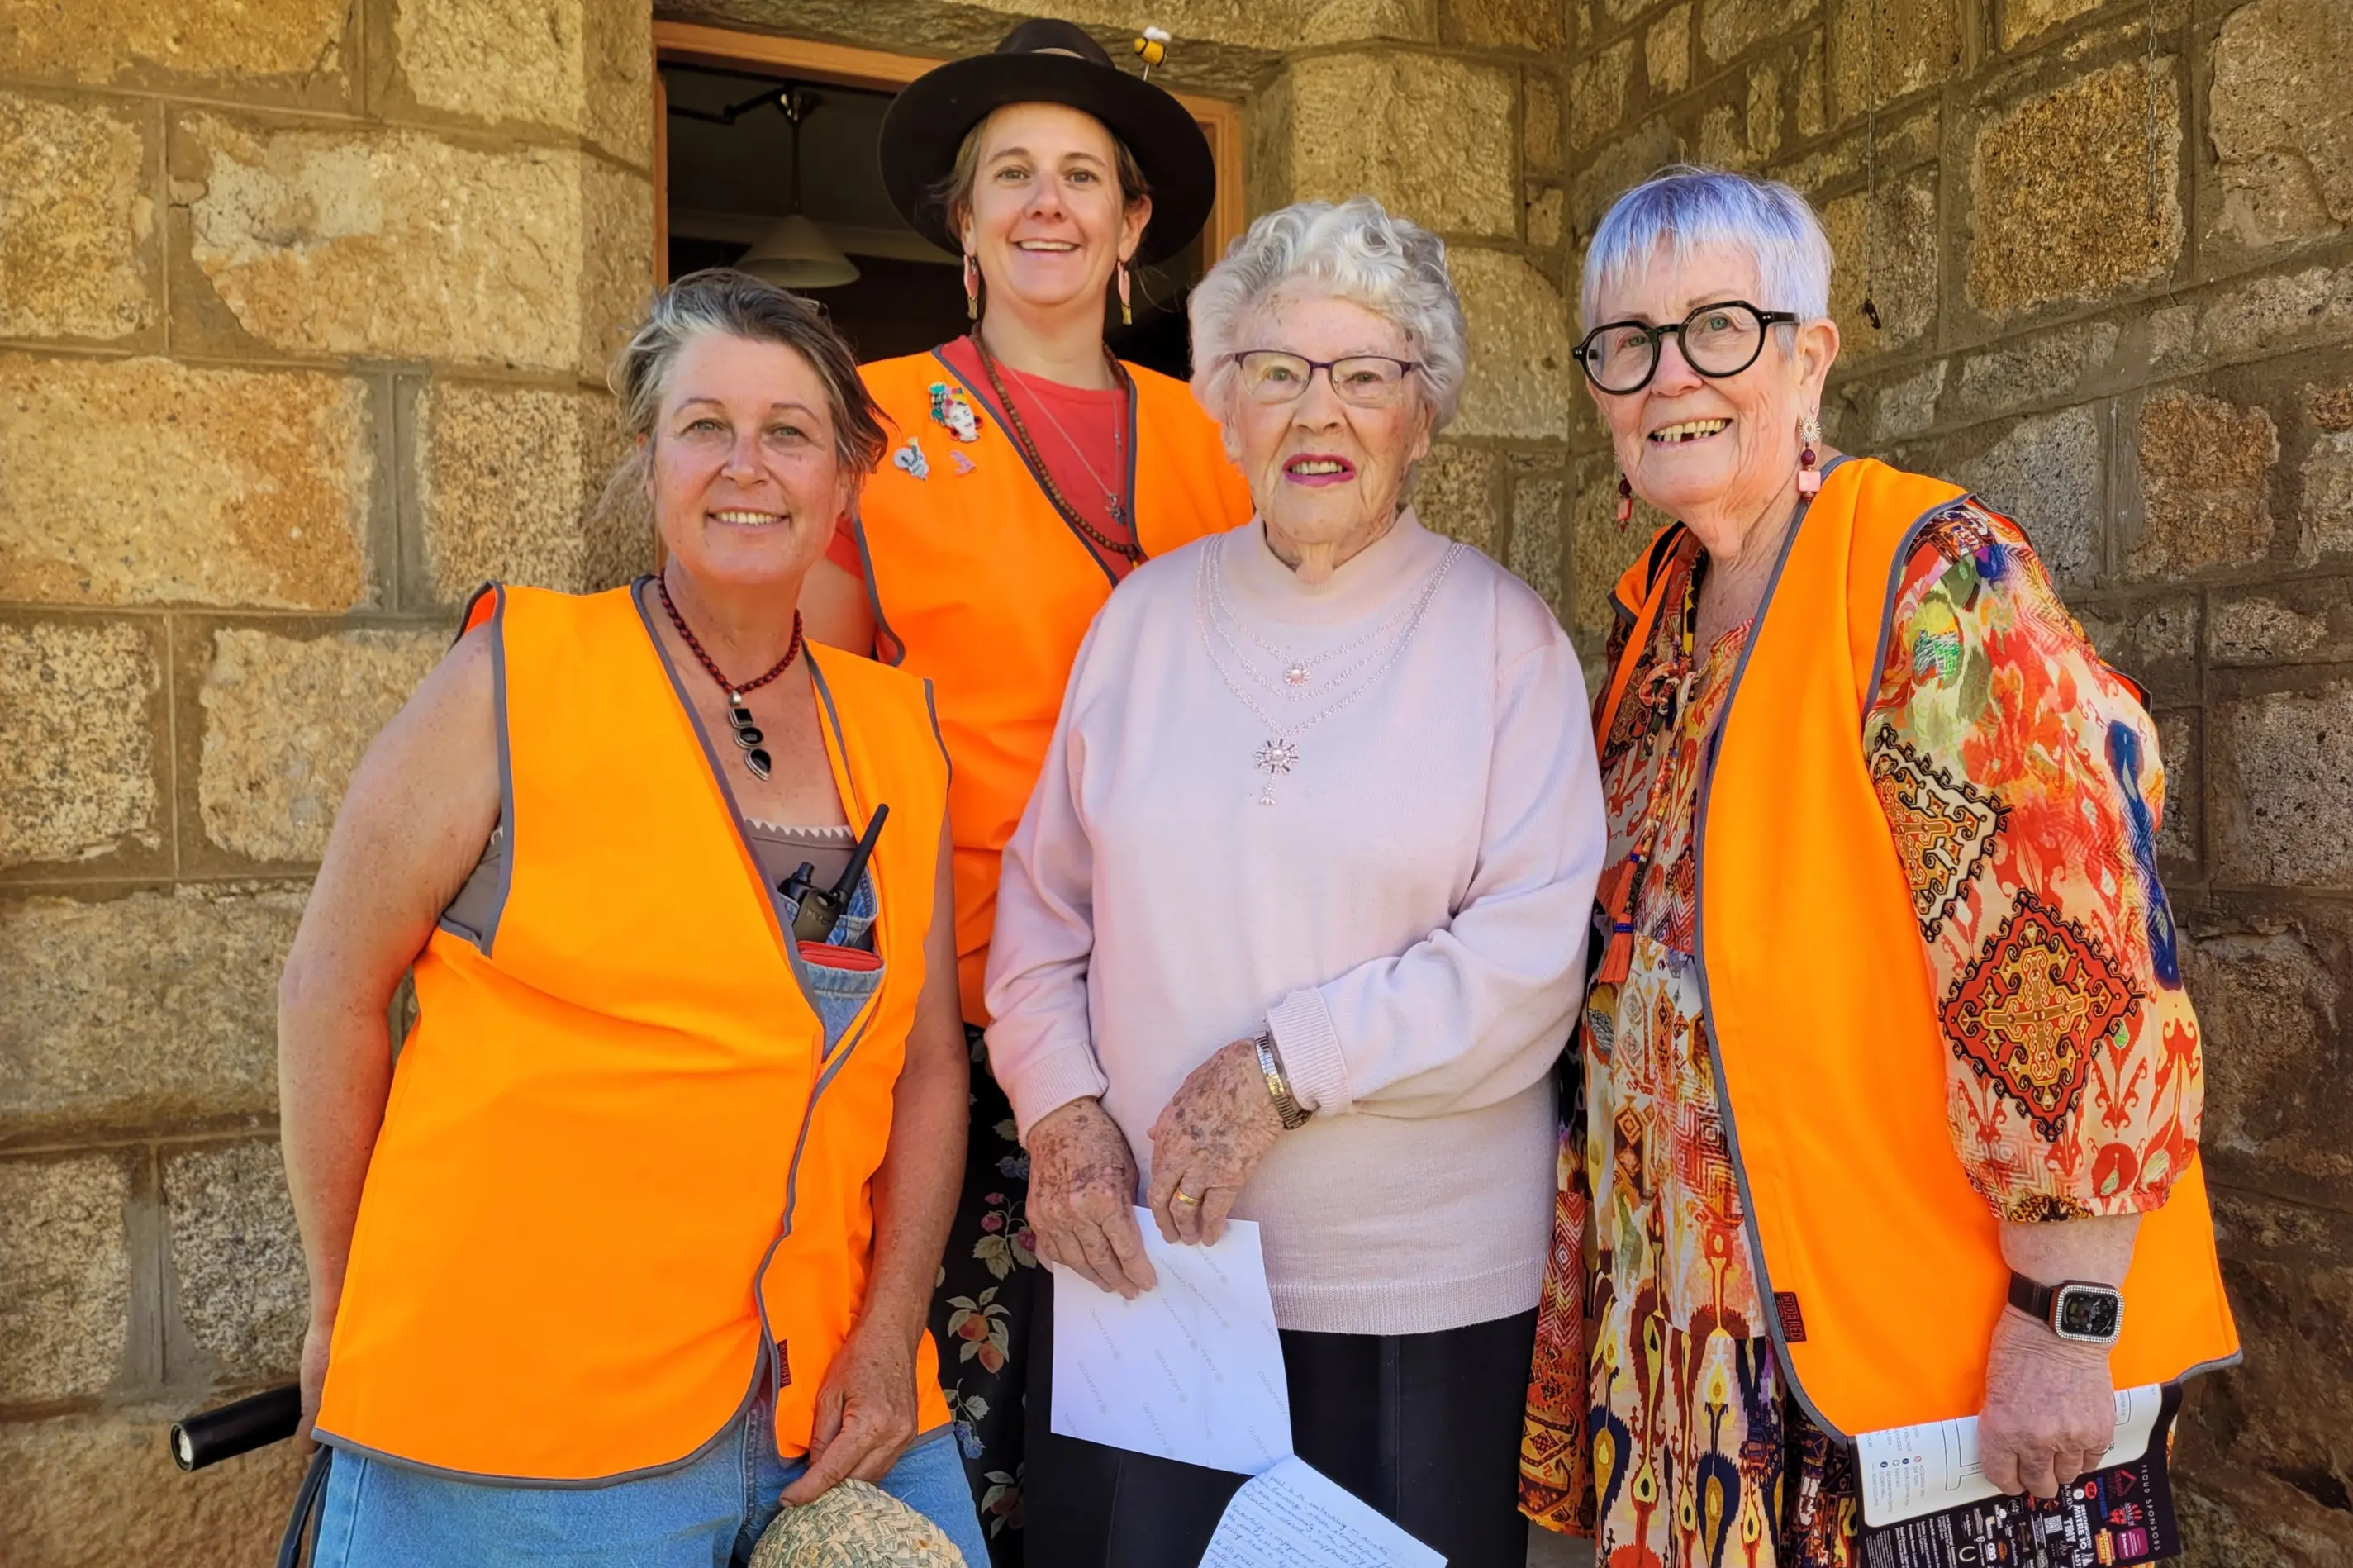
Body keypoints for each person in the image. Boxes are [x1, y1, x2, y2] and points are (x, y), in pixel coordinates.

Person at [1515, 167, 2240, 1564]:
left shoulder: (1926, 574)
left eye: (1718, 327)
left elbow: (2070, 965)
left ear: (1810, 355)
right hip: (1696, 1358)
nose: (1673, 375)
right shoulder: (1656, 617)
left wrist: (2062, 1319)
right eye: (1629, 342)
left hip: (1919, 1384)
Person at [278, 269, 990, 1567]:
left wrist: (891, 1329)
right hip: (511, 1428)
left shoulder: (900, 728)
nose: (746, 465)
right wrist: (342, 1304)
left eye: (789, 431)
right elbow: (330, 988)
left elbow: (930, 1063)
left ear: (849, 485)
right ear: (648, 461)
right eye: (703, 424)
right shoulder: (511, 677)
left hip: (824, 1409)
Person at [982, 196, 1609, 1568]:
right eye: (1277, 372)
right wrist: (1063, 1111)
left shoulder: (1504, 644)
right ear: (1227, 407)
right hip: (1151, 1283)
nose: (1317, 413)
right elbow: (1039, 917)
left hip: (1414, 1303)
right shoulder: (1139, 623)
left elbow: (1528, 963)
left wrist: (1281, 1069)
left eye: (1364, 376)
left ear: (1422, 414)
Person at [797, 18, 1253, 1549]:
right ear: (965, 218)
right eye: (1012, 175)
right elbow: (816, 756)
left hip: (1203, 1033)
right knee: (983, 1461)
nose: (1046, 203)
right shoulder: (867, 429)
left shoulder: (1230, 439)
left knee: (1184, 1466)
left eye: (1082, 176)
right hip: (970, 1033)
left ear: (1132, 226)